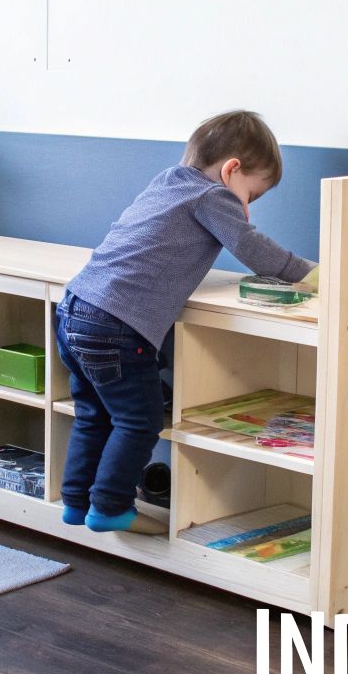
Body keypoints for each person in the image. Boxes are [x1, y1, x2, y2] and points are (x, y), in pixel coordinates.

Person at [56, 110, 317, 532]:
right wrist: (311, 273)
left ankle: (75, 502)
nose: (247, 206)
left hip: (75, 308)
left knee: (93, 413)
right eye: (252, 195)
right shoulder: (212, 197)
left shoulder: (168, 181)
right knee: (139, 420)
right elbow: (251, 248)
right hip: (116, 326)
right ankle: (109, 508)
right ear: (232, 170)